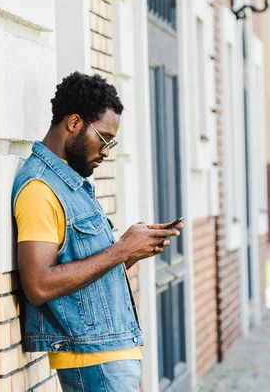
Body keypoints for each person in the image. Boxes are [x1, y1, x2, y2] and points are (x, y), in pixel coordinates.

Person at [12, 72, 182, 392]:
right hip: (94, 362)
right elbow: (38, 285)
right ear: (75, 123)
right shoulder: (40, 189)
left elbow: (84, 278)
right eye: (104, 138)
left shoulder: (71, 185)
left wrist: (130, 251)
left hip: (110, 355)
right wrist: (120, 250)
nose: (107, 150)